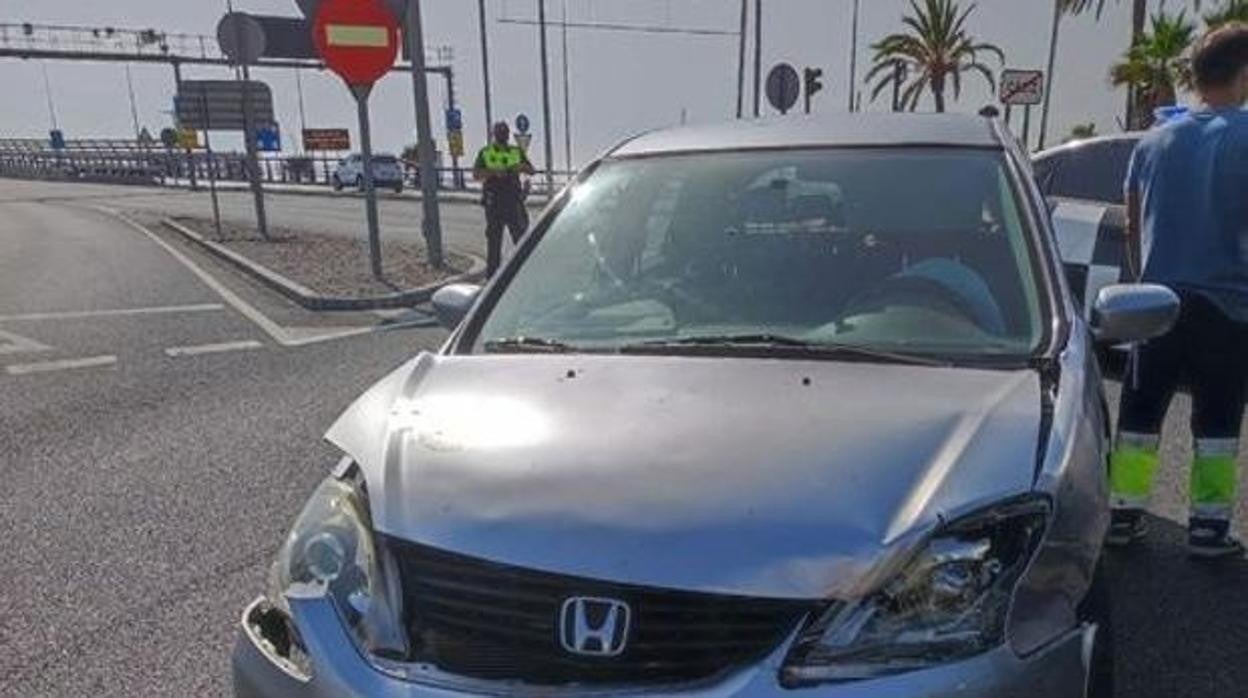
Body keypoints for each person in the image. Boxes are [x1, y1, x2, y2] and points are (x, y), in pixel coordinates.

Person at [1108, 23, 1248, 558]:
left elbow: (1132, 223)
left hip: (1156, 302)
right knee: (1216, 422)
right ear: (1242, 74)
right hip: (1226, 304)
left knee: (1140, 416)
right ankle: (1208, 529)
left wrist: (1144, 280)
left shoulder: (1154, 140)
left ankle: (1123, 513)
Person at [473, 121, 535, 277]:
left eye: (505, 132)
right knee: (494, 244)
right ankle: (492, 280)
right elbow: (477, 175)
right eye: (500, 132)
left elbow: (531, 170)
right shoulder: (486, 152)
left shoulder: (515, 151)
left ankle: (525, 273)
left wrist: (519, 167)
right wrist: (493, 172)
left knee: (520, 241)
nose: (503, 135)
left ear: (508, 135)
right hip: (494, 203)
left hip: (513, 201)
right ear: (495, 134)